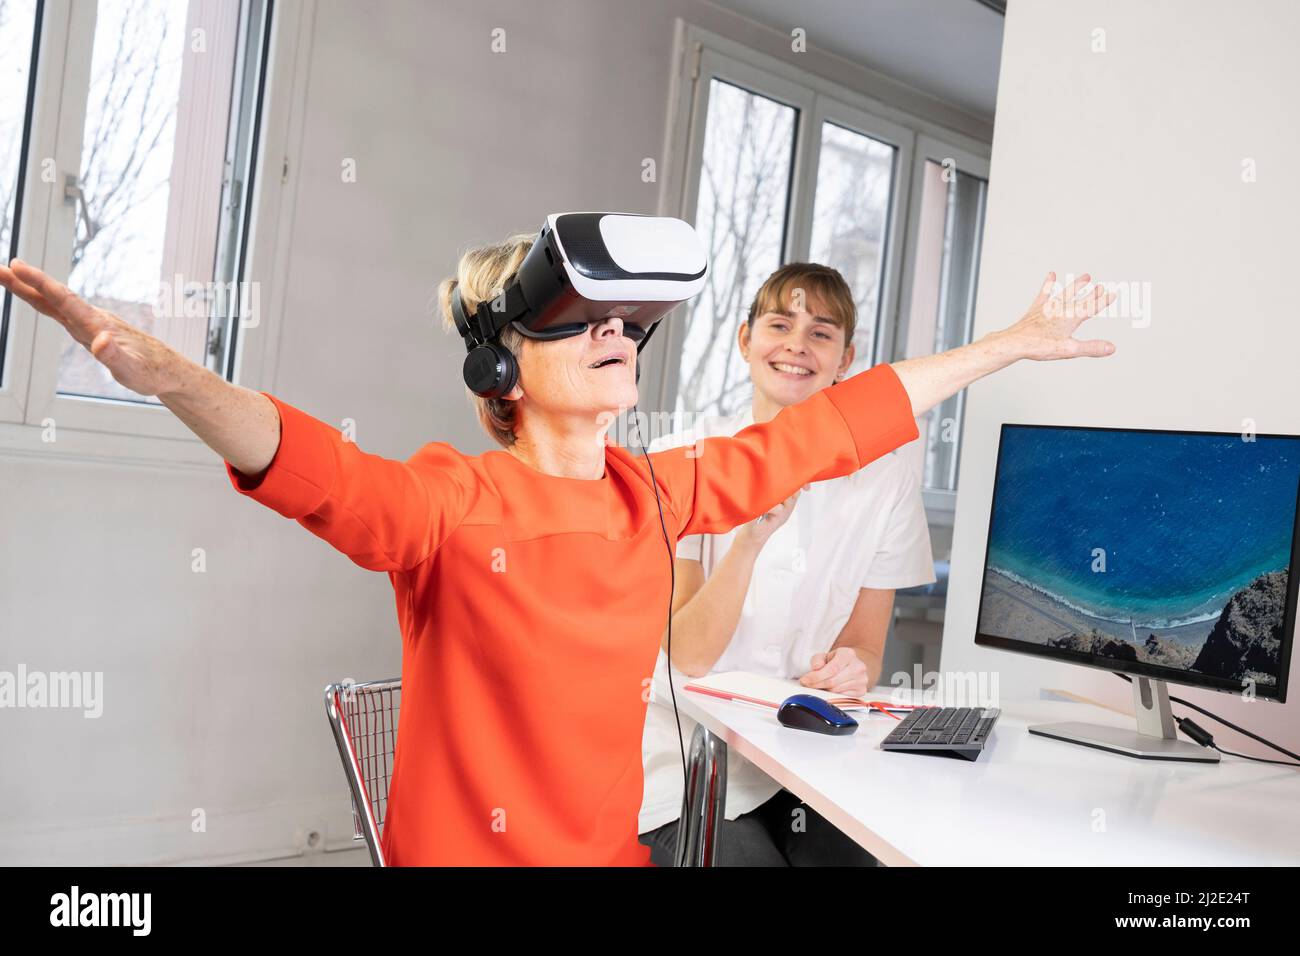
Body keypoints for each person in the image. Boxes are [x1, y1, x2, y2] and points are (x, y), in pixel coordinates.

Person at [0, 239, 1114, 865]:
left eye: (624, 324)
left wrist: (1011, 343)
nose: (613, 337)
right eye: (581, 324)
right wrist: (173, 379)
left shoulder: (654, 491)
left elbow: (837, 427)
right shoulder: (453, 496)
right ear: (503, 372)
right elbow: (321, 472)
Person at [639, 263, 935, 866]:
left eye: (821, 333)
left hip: (807, 755)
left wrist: (852, 668)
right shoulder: (684, 460)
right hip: (689, 756)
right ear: (746, 340)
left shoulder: (888, 477)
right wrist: (749, 541)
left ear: (845, 358)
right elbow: (687, 653)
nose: (798, 345)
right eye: (780, 324)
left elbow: (868, 651)